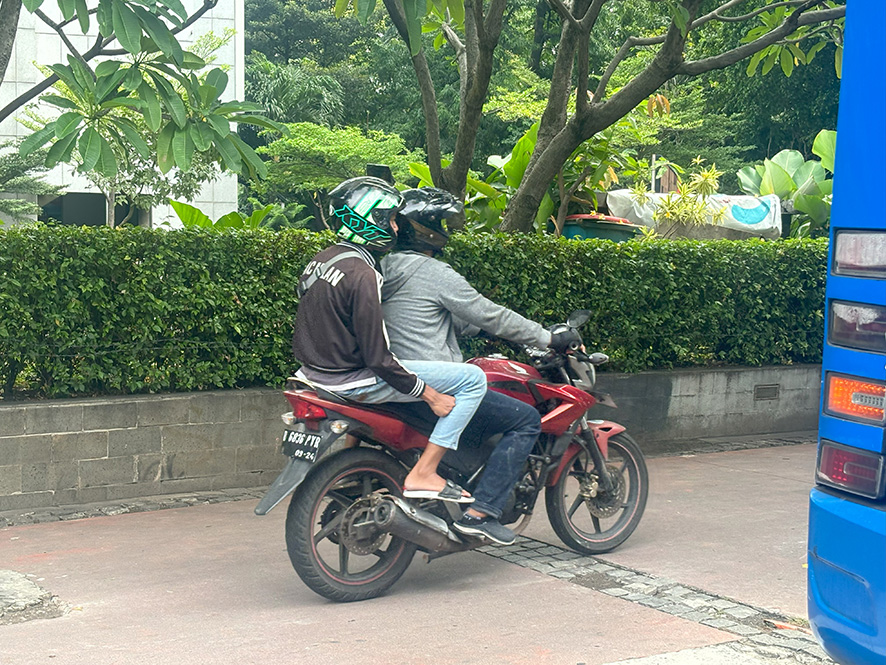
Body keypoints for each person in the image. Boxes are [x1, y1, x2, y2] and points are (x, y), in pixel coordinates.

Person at [380, 187, 580, 545]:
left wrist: (479, 330)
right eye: (440, 221)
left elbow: (426, 317)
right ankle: (482, 511)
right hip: (433, 385)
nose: (445, 228)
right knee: (524, 420)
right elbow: (490, 314)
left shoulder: (384, 266)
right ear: (426, 229)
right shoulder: (433, 271)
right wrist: (547, 338)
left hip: (391, 380)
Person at [292, 176, 487, 503]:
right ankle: (425, 471)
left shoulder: (324, 259)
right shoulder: (363, 273)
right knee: (473, 379)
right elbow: (379, 359)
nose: (397, 229)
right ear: (369, 220)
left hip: (312, 374)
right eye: (391, 219)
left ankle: (358, 465)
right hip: (350, 379)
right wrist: (429, 395)